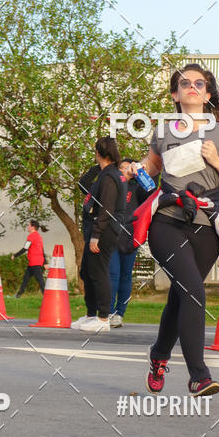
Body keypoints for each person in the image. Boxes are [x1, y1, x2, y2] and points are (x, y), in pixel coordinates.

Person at [135, 63, 219, 397]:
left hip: (206, 228)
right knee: (194, 291)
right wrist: (134, 169)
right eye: (185, 83)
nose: (193, 87)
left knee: (182, 295)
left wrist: (216, 160)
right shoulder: (164, 131)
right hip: (167, 222)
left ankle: (159, 355)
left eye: (200, 83)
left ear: (208, 93)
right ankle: (199, 375)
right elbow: (151, 168)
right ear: (175, 94)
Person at [73, 137, 127, 332]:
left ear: (99, 153)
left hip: (104, 230)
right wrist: (99, 166)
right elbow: (83, 185)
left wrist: (96, 235)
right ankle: (91, 314)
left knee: (99, 272)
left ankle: (103, 318)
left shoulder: (110, 177)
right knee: (88, 271)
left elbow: (107, 209)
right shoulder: (106, 173)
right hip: (99, 228)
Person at [108, 159, 151, 327]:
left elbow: (151, 191)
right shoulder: (113, 184)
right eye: (123, 167)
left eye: (129, 166)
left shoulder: (137, 187)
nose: (127, 169)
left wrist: (142, 173)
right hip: (112, 235)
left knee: (126, 276)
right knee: (113, 274)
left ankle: (120, 313)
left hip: (130, 236)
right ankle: (108, 312)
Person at [11, 219, 47, 297]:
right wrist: (45, 262)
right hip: (34, 262)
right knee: (25, 279)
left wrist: (15, 255)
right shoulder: (38, 236)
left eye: (29, 225)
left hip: (35, 262)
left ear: (32, 227)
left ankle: (46, 296)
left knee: (40, 280)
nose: (28, 227)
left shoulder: (32, 236)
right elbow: (42, 250)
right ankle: (18, 295)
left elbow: (25, 248)